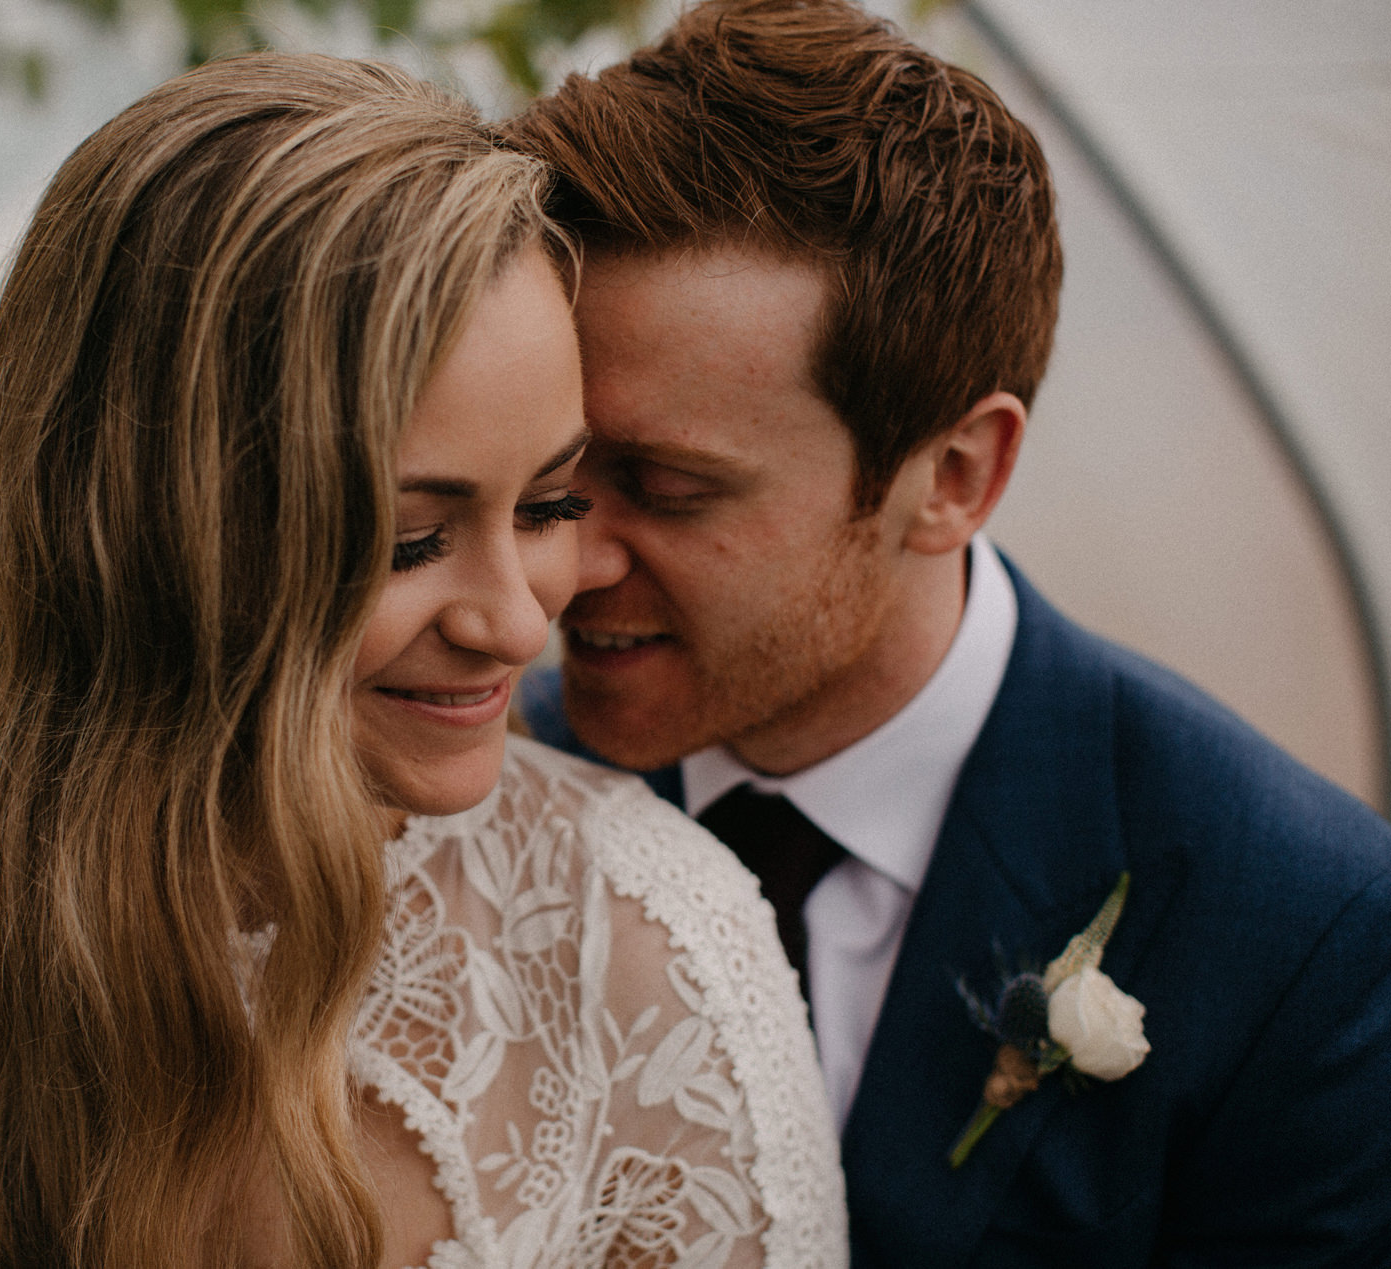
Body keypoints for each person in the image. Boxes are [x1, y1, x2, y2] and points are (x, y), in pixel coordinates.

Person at [0, 53, 847, 1268]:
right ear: (154, 531)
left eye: (543, 507)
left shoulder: (650, 967)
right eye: (409, 539)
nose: (519, 626)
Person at [508, 1, 1391, 1264]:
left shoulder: (1302, 938)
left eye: (667, 488)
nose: (561, 562)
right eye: (550, 472)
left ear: (957, 476)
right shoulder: (463, 805)